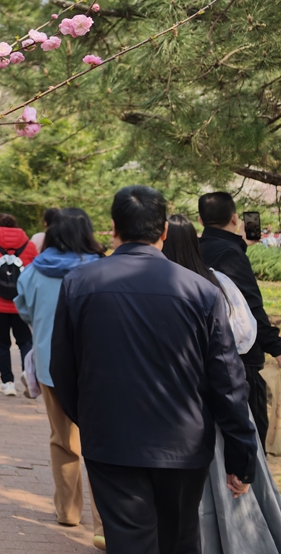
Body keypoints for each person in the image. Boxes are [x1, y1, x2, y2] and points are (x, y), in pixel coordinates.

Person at [52, 186, 257, 554]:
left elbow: (62, 369)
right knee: (179, 538)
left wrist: (88, 418)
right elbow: (228, 380)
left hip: (111, 440)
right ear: (164, 230)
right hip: (184, 443)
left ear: (113, 228)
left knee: (129, 540)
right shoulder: (201, 291)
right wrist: (241, 454)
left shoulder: (79, 284)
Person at [161, 214, 281, 554]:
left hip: (178, 408)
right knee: (232, 483)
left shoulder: (164, 286)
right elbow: (243, 337)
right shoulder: (218, 284)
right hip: (224, 397)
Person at [14, 208, 105, 547]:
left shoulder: (34, 270)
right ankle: (103, 522)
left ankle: (68, 510)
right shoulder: (100, 268)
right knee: (100, 442)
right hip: (96, 367)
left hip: (52, 367)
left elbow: (23, 310)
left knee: (62, 439)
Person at [198, 192, 281, 449]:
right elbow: (251, 307)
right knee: (249, 432)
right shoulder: (231, 254)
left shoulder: (196, 249)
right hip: (240, 360)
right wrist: (276, 348)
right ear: (235, 218)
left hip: (202, 354)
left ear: (200, 219)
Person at [0, 213, 38, 396]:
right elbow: (35, 275)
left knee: (2, 343)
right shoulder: (30, 245)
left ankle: (7, 382)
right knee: (25, 340)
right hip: (22, 303)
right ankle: (29, 374)